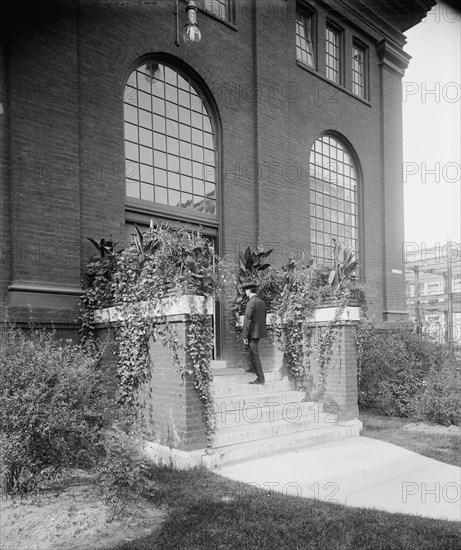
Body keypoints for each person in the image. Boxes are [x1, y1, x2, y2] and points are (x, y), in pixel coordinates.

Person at [241, 281, 267, 385]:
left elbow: (248, 320)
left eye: (246, 290)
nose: (245, 292)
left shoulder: (251, 302)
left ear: (249, 291)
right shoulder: (261, 302)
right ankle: (251, 368)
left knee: (254, 354)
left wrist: (245, 336)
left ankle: (260, 379)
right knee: (249, 352)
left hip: (252, 333)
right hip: (259, 332)